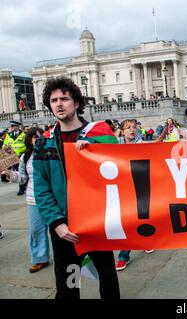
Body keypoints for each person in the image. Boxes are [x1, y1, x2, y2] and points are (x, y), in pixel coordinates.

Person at [33, 77, 120, 299]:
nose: (59, 104)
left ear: (77, 103)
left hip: (96, 223)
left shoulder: (98, 135)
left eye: (64, 98)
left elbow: (121, 167)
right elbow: (41, 189)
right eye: (53, 100)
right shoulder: (44, 143)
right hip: (64, 228)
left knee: (107, 278)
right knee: (69, 283)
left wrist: (95, 151)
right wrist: (57, 223)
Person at [1, 127, 50, 273]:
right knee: (36, 230)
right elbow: (22, 178)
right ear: (29, 140)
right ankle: (40, 258)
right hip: (33, 198)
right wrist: (9, 173)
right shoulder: (26, 157)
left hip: (51, 197)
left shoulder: (52, 153)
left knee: (59, 230)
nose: (38, 139)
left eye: (40, 136)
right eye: (34, 137)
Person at [115, 119, 154, 271]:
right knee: (127, 221)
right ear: (122, 131)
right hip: (123, 187)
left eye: (134, 127)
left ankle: (145, 242)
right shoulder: (114, 145)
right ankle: (124, 255)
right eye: (128, 128)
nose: (132, 130)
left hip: (141, 184)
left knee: (143, 216)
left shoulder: (143, 144)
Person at [2, 121, 27, 195]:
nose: (12, 128)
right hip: (12, 156)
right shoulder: (9, 135)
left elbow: (27, 144)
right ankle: (22, 188)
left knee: (22, 171)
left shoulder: (24, 134)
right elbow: (5, 145)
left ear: (17, 126)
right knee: (17, 171)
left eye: (13, 126)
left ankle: (23, 187)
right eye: (11, 126)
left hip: (22, 155)